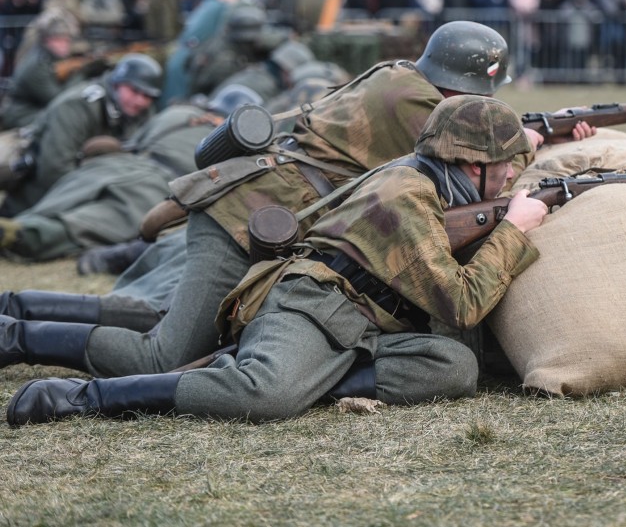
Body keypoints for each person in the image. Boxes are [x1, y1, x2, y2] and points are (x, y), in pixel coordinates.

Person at [0, 21, 594, 382]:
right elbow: (478, 157)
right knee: (164, 357)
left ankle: (17, 307)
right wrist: (531, 141)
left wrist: (548, 130)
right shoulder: (415, 106)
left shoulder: (402, 78)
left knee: (171, 326)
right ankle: (15, 338)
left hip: (261, 208)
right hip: (247, 217)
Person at [5, 94, 547, 426]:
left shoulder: (436, 176)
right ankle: (80, 398)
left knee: (454, 367)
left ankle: (301, 379)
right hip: (312, 304)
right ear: (471, 163)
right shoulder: (406, 194)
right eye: (501, 167)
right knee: (260, 395)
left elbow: (501, 168)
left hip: (365, 324)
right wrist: (516, 229)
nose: (505, 178)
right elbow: (461, 303)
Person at [0, 84, 262, 261]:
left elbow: (137, 140)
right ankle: (21, 237)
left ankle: (20, 223)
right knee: (89, 224)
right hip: (160, 183)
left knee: (56, 202)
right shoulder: (233, 138)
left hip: (119, 163)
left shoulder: (178, 112)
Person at [0, 53, 161, 216]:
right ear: (117, 83)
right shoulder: (77, 107)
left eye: (147, 96)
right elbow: (54, 169)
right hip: (36, 205)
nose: (140, 100)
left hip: (87, 197)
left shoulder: (141, 113)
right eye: (134, 90)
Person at [0, 17, 75, 130]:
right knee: (63, 120)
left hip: (31, 110)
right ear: (46, 41)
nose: (64, 45)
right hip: (22, 114)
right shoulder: (37, 65)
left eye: (67, 40)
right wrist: (79, 76)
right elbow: (58, 99)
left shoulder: (47, 58)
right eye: (58, 40)